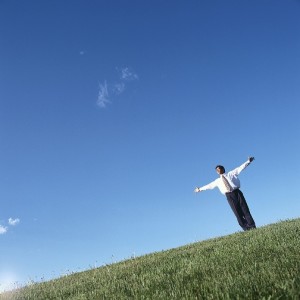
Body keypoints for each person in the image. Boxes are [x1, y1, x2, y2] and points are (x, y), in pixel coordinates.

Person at [194, 157, 256, 231]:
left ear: (223, 169)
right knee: (237, 213)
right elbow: (209, 186)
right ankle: (246, 228)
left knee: (245, 209)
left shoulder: (231, 173)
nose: (218, 170)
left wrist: (248, 161)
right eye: (217, 170)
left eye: (219, 169)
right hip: (229, 196)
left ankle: (252, 226)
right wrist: (199, 189)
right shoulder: (217, 181)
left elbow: (241, 168)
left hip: (237, 192)